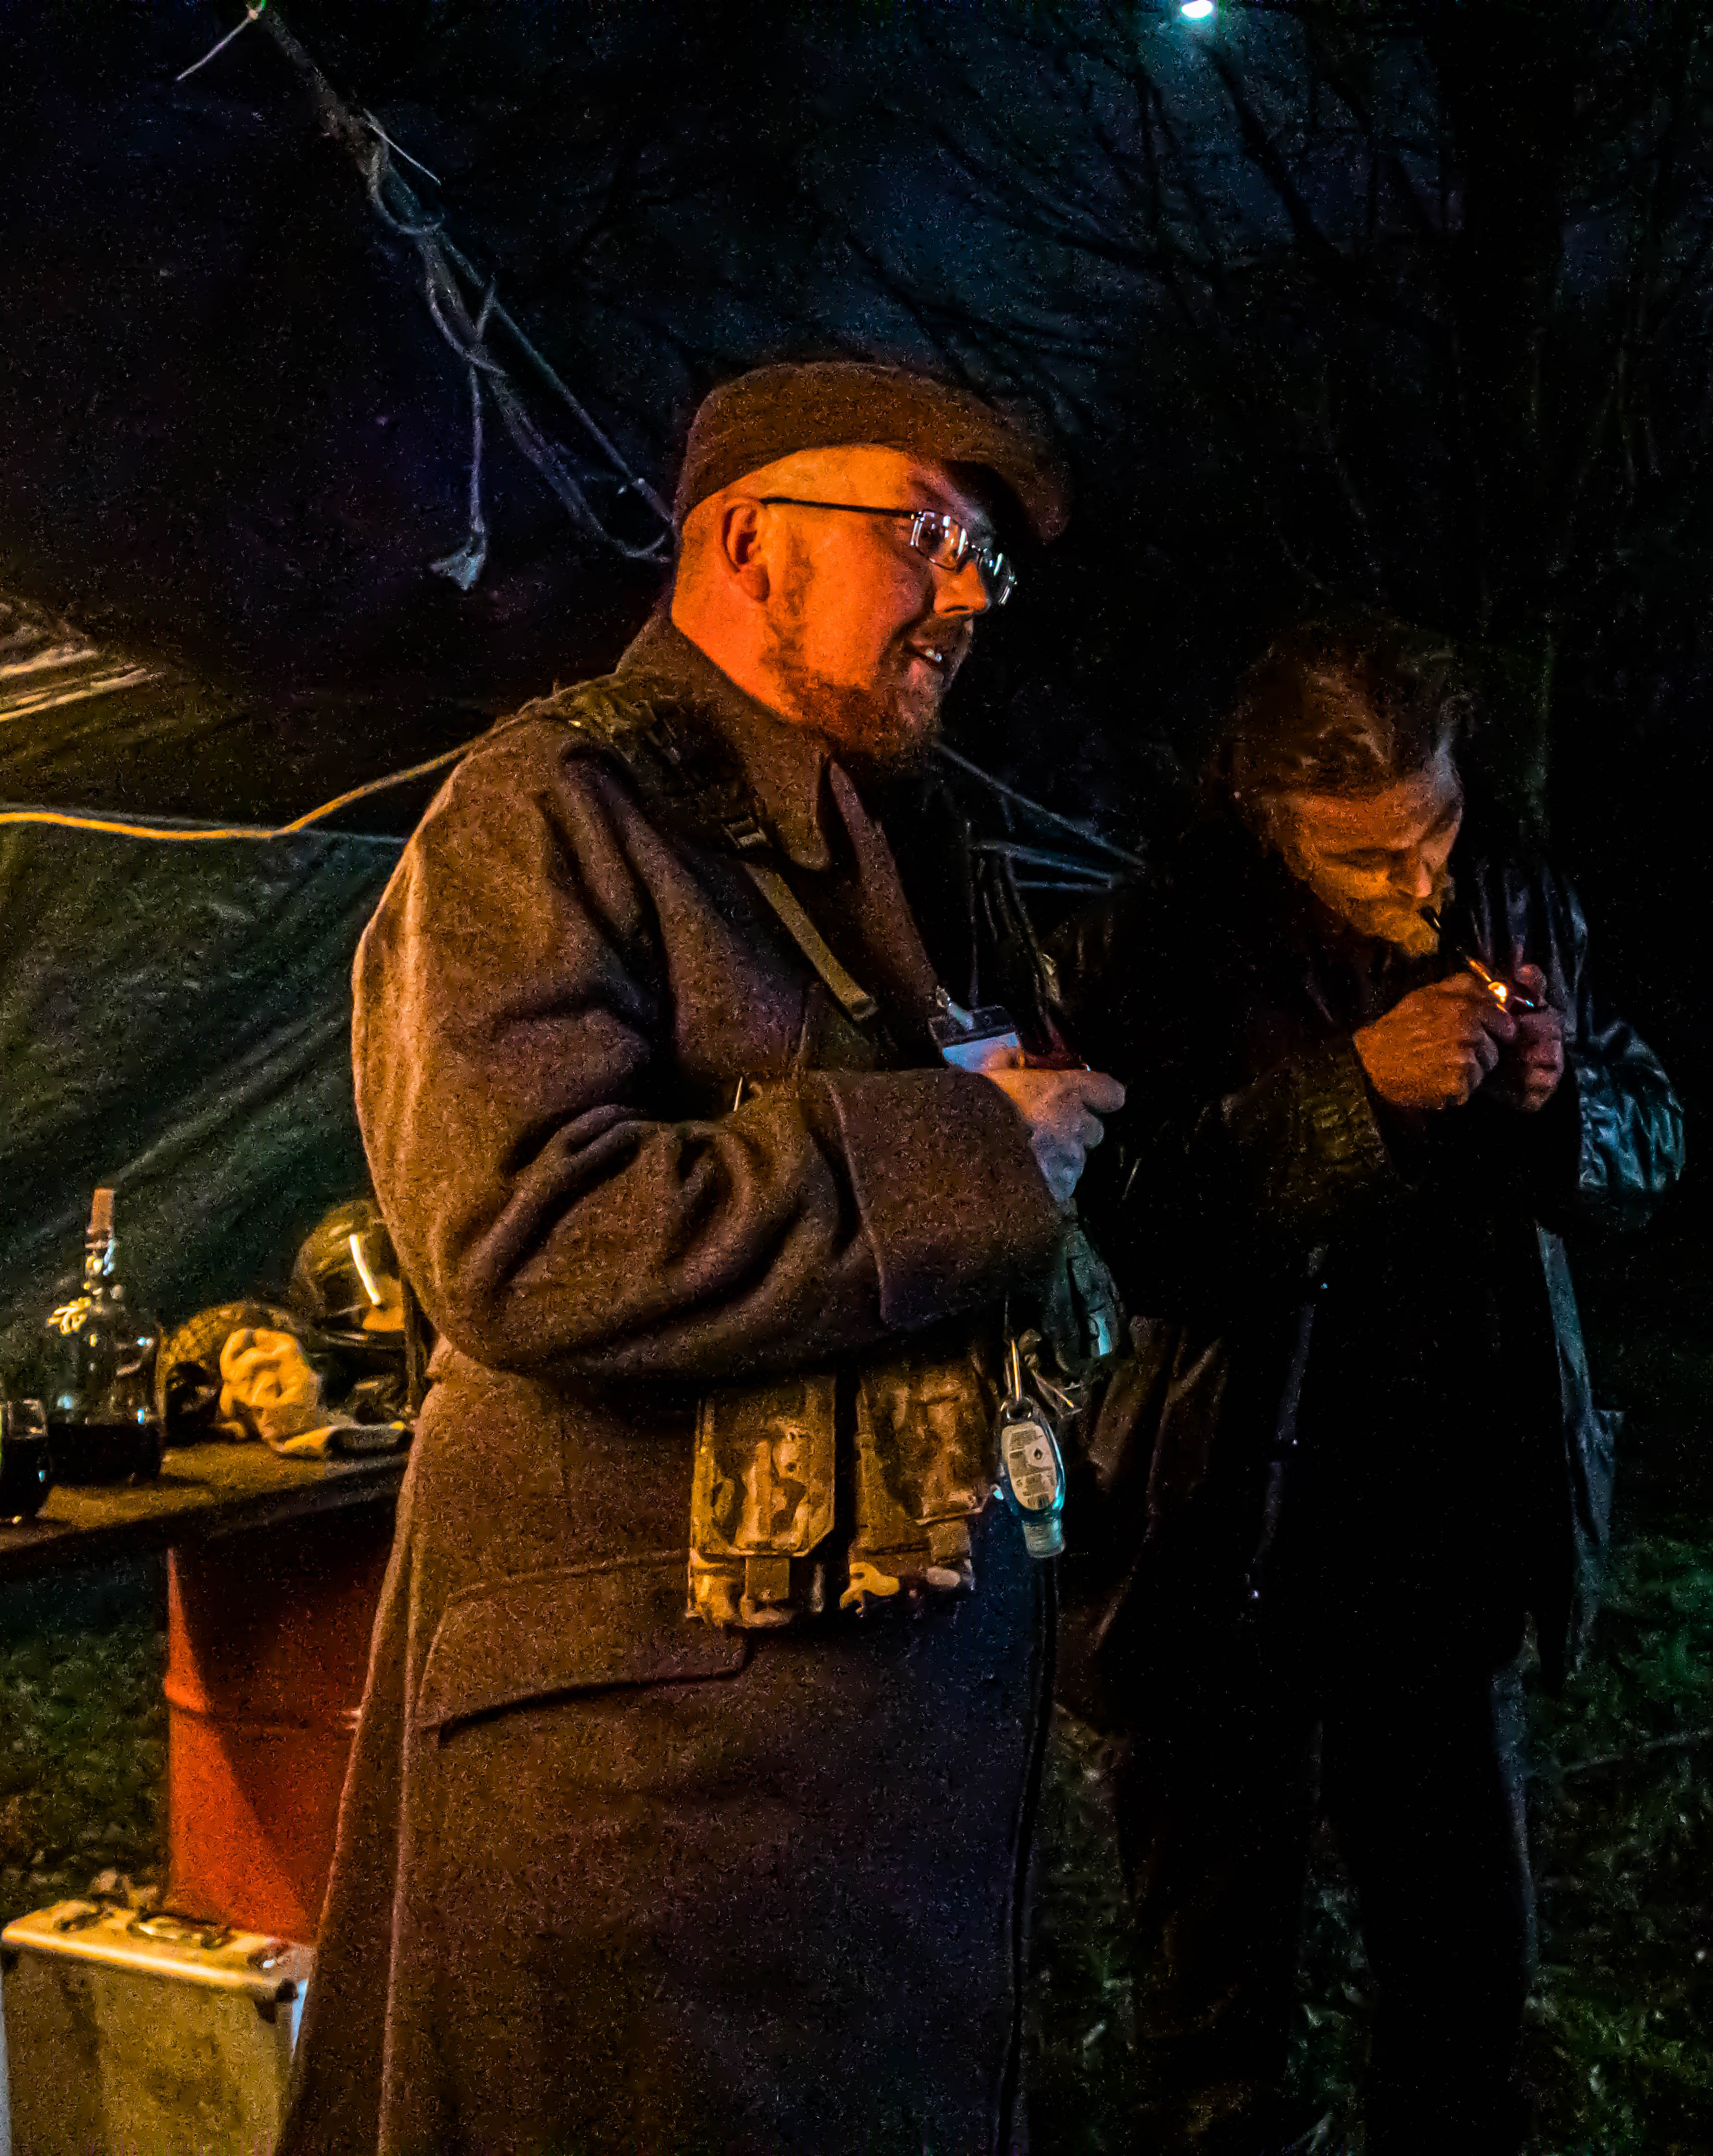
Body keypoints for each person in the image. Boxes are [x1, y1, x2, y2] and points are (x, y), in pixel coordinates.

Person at [279, 361, 1126, 2156]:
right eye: (927, 537)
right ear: (749, 543)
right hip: (646, 1811)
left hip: (861, 1789)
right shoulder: (549, 810)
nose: (968, 598)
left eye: (984, 561)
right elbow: (521, 1227)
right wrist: (972, 1155)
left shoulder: (917, 851)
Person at [1051, 614, 1684, 2155]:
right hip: (1217, 1549)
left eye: (1436, 831)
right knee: (1217, 2036)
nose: (1418, 882)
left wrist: (1564, 1106)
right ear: (1266, 816)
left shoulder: (1519, 895)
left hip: (1452, 1546)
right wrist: (1356, 1096)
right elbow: (1127, 1227)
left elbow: (1655, 1137)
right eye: (1366, 857)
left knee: (1467, 2002)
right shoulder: (1150, 949)